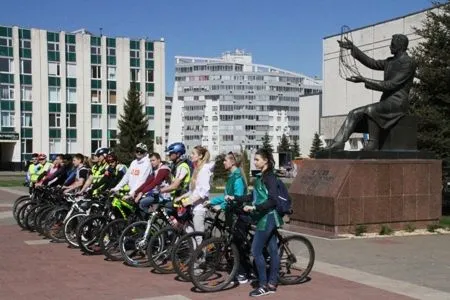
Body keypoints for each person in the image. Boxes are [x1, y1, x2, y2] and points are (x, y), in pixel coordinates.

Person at [327, 34, 417, 151]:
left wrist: (364, 80)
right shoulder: (390, 62)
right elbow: (372, 63)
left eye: (392, 44)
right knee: (354, 113)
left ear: (400, 46)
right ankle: (338, 143)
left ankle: (373, 143)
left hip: (398, 103)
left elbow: (391, 85)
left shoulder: (408, 63)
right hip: (387, 102)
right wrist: (353, 48)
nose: (390, 46)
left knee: (371, 110)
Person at [228, 148, 283, 297]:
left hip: (267, 218)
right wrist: (236, 198)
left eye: (257, 159)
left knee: (255, 251)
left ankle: (263, 285)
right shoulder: (262, 176)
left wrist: (255, 207)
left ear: (266, 161)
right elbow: (254, 195)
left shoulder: (269, 177)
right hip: (264, 217)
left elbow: (273, 200)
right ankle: (272, 283)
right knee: (272, 251)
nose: (255, 162)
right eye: (255, 159)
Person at [206, 151, 252, 284]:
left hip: (239, 216)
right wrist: (212, 201)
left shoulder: (237, 179)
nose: (224, 162)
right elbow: (226, 196)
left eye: (226, 160)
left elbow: (236, 200)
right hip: (232, 216)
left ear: (232, 162)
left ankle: (243, 273)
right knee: (234, 244)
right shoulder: (232, 176)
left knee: (237, 245)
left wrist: (222, 207)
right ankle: (240, 270)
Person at [176, 145, 214, 244]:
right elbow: (193, 191)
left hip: (200, 208)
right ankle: (195, 254)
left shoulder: (204, 170)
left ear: (200, 156)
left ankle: (201, 257)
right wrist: (181, 197)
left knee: (198, 235)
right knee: (189, 231)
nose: (191, 155)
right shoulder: (196, 169)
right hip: (193, 207)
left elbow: (204, 192)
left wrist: (189, 201)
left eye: (193, 153)